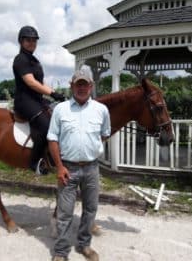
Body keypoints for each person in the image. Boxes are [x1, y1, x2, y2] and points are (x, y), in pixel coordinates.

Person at [47, 70, 111, 261]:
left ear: (91, 86)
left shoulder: (101, 110)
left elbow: (105, 133)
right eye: (78, 84)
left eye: (86, 84)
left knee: (90, 209)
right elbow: (52, 138)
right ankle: (61, 251)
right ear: (72, 86)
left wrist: (89, 148)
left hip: (92, 168)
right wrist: (59, 166)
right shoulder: (61, 109)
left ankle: (84, 245)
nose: (82, 88)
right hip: (68, 168)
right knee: (65, 213)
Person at [12, 25, 65, 175]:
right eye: (28, 40)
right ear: (21, 41)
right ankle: (34, 162)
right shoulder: (20, 59)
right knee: (46, 127)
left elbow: (40, 83)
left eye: (34, 41)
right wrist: (52, 94)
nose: (32, 43)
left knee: (58, 116)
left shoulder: (34, 60)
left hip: (37, 100)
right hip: (25, 101)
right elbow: (31, 82)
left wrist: (56, 93)